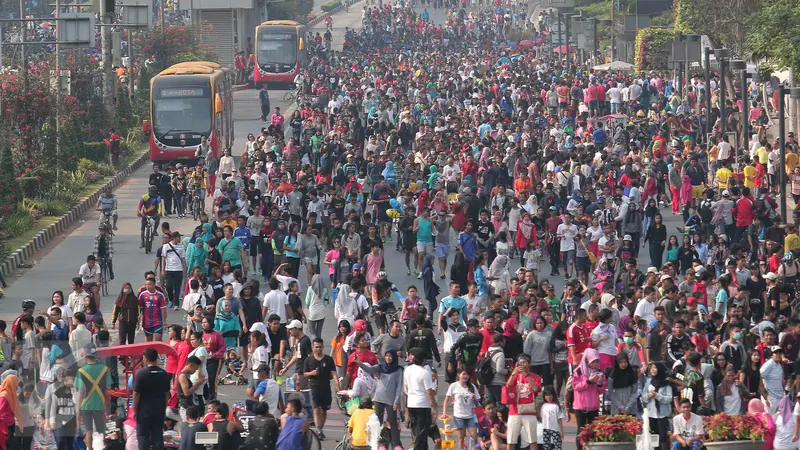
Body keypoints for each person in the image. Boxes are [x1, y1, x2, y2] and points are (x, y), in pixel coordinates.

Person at [133, 347, 172, 450]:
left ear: (145, 358)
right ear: (156, 358)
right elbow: (167, 393)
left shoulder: (141, 374)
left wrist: (134, 409)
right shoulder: (164, 374)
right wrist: (164, 407)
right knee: (157, 435)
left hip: (144, 410)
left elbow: (136, 393)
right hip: (159, 409)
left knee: (143, 436)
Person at [75, 345, 112, 450]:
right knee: (101, 430)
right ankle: (103, 447)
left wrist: (78, 412)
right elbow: (108, 388)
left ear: (85, 356)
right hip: (100, 403)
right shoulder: (104, 369)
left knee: (88, 430)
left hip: (85, 405)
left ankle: (90, 448)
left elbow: (80, 393)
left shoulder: (81, 371)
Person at [302, 337, 340, 439]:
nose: (318, 349)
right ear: (313, 348)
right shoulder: (308, 360)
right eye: (316, 347)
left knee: (324, 410)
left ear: (323, 347)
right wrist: (312, 373)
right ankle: (318, 430)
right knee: (316, 408)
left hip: (326, 387)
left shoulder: (328, 359)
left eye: (320, 347)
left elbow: (333, 373)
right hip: (314, 386)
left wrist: (337, 384)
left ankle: (320, 429)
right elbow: (305, 374)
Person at [572, 349, 605, 450]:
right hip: (580, 406)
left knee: (592, 430)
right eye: (593, 361)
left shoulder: (600, 372)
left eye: (596, 361)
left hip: (593, 406)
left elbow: (602, 390)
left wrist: (599, 383)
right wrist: (588, 381)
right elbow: (576, 387)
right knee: (581, 430)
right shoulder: (578, 371)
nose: (595, 364)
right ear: (587, 360)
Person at [404, 348, 437, 450]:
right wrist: (434, 407)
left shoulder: (407, 369)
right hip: (422, 404)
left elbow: (406, 387)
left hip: (411, 403)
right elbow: (429, 392)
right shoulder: (424, 372)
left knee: (417, 430)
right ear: (423, 360)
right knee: (421, 432)